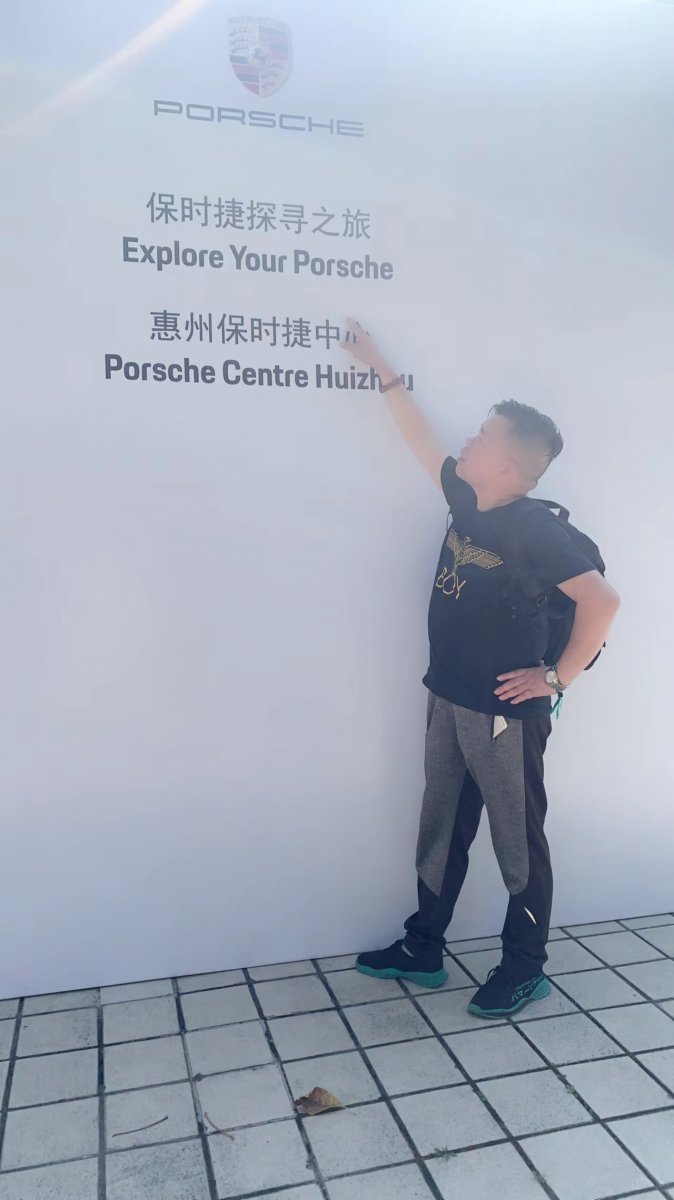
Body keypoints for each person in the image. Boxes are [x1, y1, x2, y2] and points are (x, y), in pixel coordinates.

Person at [342, 320, 620, 1019]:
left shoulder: (537, 529)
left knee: (516, 840)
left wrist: (556, 680)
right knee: (441, 824)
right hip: (448, 695)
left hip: (505, 715)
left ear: (511, 467)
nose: (470, 439)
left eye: (485, 435)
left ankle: (525, 967)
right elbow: (421, 438)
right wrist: (379, 365)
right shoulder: (468, 499)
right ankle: (423, 947)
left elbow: (604, 601)